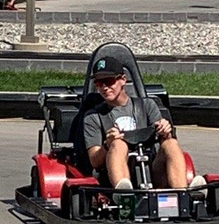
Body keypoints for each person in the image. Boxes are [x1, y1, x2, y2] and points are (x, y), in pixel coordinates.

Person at [81, 55, 203, 191]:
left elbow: (163, 141)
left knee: (171, 143)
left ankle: (182, 193)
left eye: (109, 82)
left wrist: (165, 131)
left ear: (122, 80)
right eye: (99, 83)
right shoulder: (93, 117)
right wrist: (107, 145)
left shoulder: (147, 106)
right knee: (118, 144)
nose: (104, 88)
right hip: (112, 177)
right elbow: (95, 161)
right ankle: (124, 194)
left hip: (151, 172)